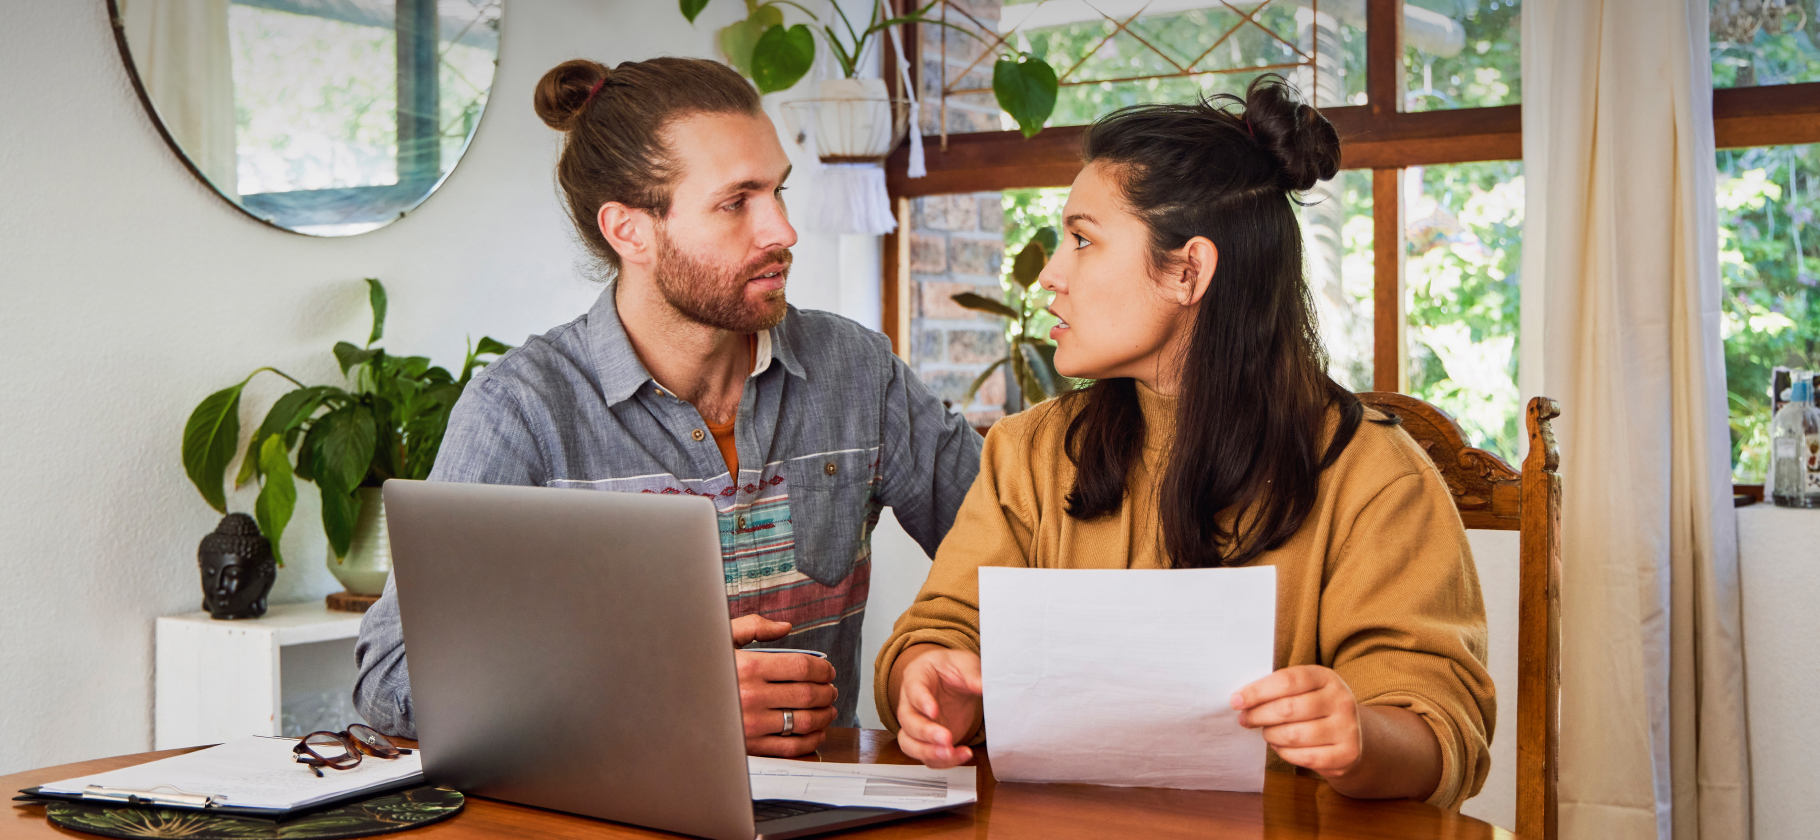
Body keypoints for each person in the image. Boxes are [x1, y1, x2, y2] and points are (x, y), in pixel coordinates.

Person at [874, 76, 1494, 809]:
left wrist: (1358, 735)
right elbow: (942, 631)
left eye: (1082, 239)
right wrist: (926, 681)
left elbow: (1439, 723)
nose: (1051, 274)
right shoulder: (1025, 452)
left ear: (1188, 270)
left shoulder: (1376, 475)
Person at [355, 57, 982, 757]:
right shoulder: (521, 409)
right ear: (630, 231)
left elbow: (1014, 555)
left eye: (778, 191)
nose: (782, 230)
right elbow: (389, 678)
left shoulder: (859, 372)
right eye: (736, 201)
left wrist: (933, 661)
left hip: (826, 811)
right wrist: (668, 698)